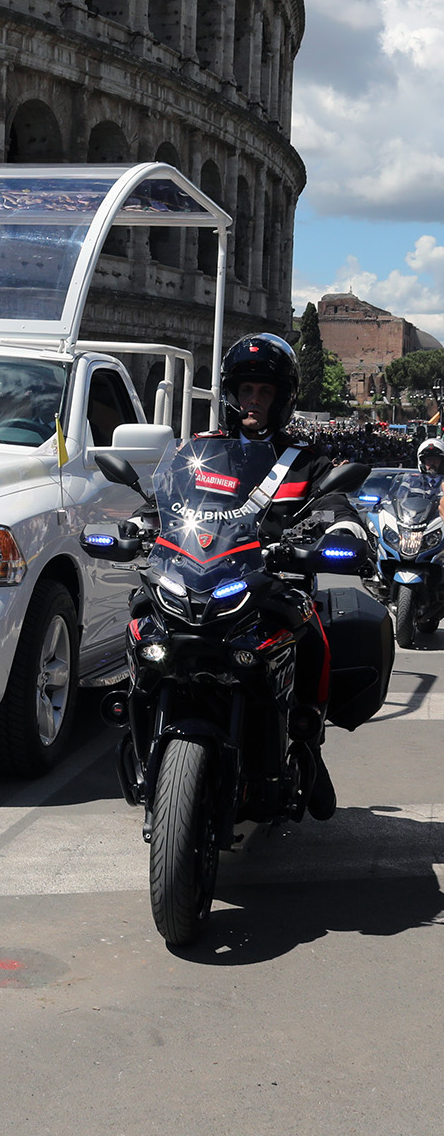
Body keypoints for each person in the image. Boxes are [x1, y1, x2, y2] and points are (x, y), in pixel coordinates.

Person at [207, 333, 369, 820]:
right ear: (232, 396)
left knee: (314, 635)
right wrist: (141, 521)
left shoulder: (305, 460)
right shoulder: (202, 454)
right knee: (144, 613)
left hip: (275, 583)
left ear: (281, 398)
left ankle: (307, 742)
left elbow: (336, 501)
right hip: (204, 580)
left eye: (265, 392)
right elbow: (168, 502)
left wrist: (343, 528)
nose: (253, 401)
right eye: (246, 391)